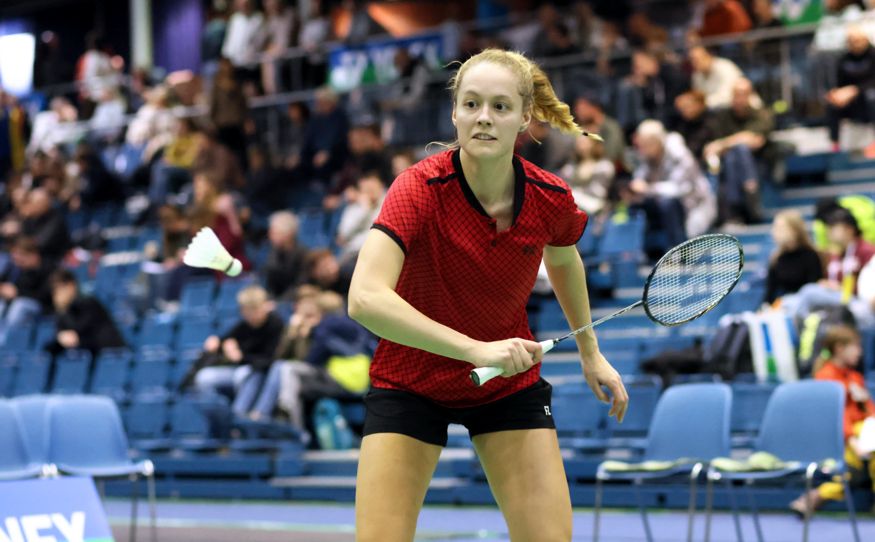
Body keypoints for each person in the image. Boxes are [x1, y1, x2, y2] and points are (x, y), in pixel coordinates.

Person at [348, 48, 629, 541]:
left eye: (500, 107)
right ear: (454, 112)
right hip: (411, 380)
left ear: (524, 117)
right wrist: (474, 350)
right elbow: (365, 297)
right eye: (472, 104)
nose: (484, 117)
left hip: (506, 384)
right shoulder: (418, 189)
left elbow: (564, 259)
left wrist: (590, 352)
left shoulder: (550, 198)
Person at [789, 325, 875, 516]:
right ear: (839, 348)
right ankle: (815, 497)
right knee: (853, 471)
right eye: (856, 347)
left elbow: (870, 412)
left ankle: (815, 497)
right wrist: (853, 441)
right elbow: (836, 417)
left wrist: (865, 405)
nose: (860, 352)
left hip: (863, 436)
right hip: (840, 440)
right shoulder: (826, 377)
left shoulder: (854, 377)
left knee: (856, 470)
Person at [183, 285, 284, 418]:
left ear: (263, 307)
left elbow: (268, 360)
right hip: (237, 370)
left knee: (246, 373)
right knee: (204, 377)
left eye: (254, 309)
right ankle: (219, 418)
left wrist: (240, 357)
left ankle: (238, 417)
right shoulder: (244, 325)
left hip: (259, 373)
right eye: (246, 310)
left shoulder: (275, 324)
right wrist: (217, 342)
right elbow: (225, 340)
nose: (250, 315)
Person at [781, 207, 875, 328]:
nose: (828, 231)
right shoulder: (835, 254)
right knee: (788, 301)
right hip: (838, 301)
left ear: (849, 229)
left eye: (833, 227)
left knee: (808, 291)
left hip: (857, 303)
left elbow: (868, 286)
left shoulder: (867, 251)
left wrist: (840, 288)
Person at [44, 269, 126, 358]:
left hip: (108, 353)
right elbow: (60, 337)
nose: (58, 294)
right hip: (88, 353)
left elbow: (81, 331)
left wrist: (63, 311)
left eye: (60, 288)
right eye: (54, 290)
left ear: (71, 285)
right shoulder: (64, 310)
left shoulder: (88, 303)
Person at [825, 25, 875, 152]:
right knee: (832, 104)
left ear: (865, 39)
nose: (855, 44)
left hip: (868, 99)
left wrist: (855, 90)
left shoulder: (873, 55)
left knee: (871, 96)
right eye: (851, 41)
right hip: (852, 103)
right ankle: (835, 144)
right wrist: (837, 94)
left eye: (857, 40)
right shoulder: (843, 59)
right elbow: (839, 83)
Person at [765, 210, 824, 305]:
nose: (774, 232)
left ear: (795, 231)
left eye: (780, 228)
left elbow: (814, 289)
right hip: (784, 306)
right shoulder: (776, 258)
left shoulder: (811, 255)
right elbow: (769, 294)